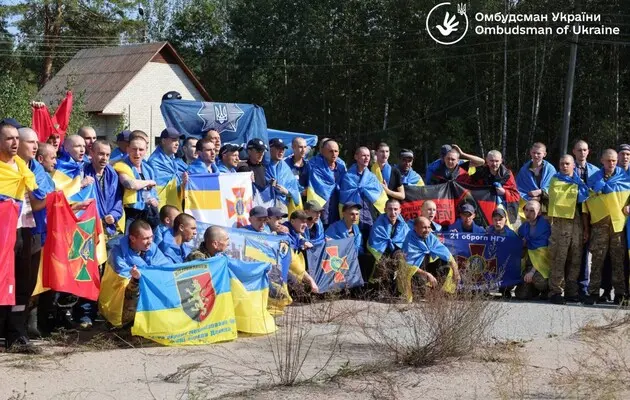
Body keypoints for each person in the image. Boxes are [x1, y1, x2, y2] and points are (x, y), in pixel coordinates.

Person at [0, 122, 46, 353]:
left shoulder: (24, 170)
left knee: (23, 284)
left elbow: (38, 202)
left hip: (25, 230)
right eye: (9, 138)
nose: (14, 142)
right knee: (1, 282)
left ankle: (17, 334)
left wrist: (59, 201)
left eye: (17, 138)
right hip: (2, 233)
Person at [583, 149, 630, 305]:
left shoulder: (625, 177)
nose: (611, 164)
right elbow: (586, 198)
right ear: (602, 161)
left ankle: (620, 293)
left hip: (618, 225)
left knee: (618, 260)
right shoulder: (593, 178)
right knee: (597, 260)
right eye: (608, 161)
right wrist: (598, 188)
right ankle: (594, 292)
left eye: (614, 161)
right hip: (599, 224)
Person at [108, 219, 170, 326]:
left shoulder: (152, 247)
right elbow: (122, 275)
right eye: (145, 238)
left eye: (151, 237)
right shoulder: (117, 252)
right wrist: (136, 276)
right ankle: (127, 324)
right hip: (119, 296)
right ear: (132, 238)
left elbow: (164, 267)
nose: (150, 241)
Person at [547, 155, 589, 304]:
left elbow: (584, 206)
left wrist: (585, 229)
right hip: (560, 224)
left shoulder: (580, 183)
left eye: (567, 164)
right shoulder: (554, 180)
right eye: (562, 163)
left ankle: (571, 291)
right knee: (559, 257)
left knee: (575, 258)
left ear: (573, 166)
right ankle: (556, 291)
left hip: (576, 223)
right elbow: (553, 200)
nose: (564, 166)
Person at [400, 216, 460, 302]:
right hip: (414, 273)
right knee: (419, 278)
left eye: (429, 227)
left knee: (445, 263)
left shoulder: (430, 237)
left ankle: (435, 293)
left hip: (425, 268)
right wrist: (427, 274)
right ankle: (421, 294)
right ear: (415, 228)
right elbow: (409, 267)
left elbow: (447, 254)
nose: (427, 230)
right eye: (424, 227)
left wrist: (456, 271)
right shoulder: (409, 241)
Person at [457, 150, 520, 224]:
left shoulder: (507, 174)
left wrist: (504, 192)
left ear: (501, 161)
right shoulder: (481, 172)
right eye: (491, 161)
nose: (494, 164)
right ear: (487, 160)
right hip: (483, 204)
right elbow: (469, 184)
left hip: (501, 205)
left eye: (497, 161)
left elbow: (515, 195)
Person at [340, 146, 387, 238]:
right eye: (363, 156)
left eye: (368, 156)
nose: (366, 158)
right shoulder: (347, 177)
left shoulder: (372, 177)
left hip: (368, 216)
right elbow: (344, 198)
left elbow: (379, 197)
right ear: (356, 157)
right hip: (352, 218)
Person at [113, 135, 159, 229]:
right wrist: (148, 182)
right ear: (128, 149)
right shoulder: (121, 165)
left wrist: (155, 201)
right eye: (134, 149)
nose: (137, 153)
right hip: (130, 214)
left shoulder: (148, 169)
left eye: (141, 149)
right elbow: (130, 185)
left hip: (147, 212)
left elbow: (154, 193)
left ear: (146, 150)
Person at [84, 140, 124, 237]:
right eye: (101, 154)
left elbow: (118, 199)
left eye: (107, 155)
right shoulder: (83, 173)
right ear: (91, 153)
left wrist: (114, 215)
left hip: (110, 228)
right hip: (89, 229)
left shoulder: (113, 175)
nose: (104, 158)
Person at [515, 200, 551, 300]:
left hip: (542, 265)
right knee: (521, 295)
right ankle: (534, 290)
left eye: (532, 211)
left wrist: (531, 272)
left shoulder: (545, 227)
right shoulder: (524, 227)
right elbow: (516, 241)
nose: (528, 214)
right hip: (528, 262)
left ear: (539, 212)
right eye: (526, 210)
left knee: (540, 281)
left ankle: (546, 290)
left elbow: (543, 255)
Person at [308, 139, 347, 226]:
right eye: (331, 151)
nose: (334, 154)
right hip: (322, 207)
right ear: (323, 152)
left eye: (336, 151)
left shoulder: (342, 168)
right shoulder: (314, 167)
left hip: (338, 207)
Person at [148, 127, 186, 209]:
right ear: (163, 141)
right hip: (161, 209)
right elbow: (154, 189)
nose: (177, 143)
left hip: (174, 205)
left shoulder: (172, 160)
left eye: (178, 140)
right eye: (174, 140)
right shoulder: (155, 161)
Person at [282, 210, 319, 293]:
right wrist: (310, 280)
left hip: (291, 269)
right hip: (282, 271)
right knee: (301, 287)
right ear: (292, 221)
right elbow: (294, 264)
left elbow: (300, 238)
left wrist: (304, 241)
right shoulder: (284, 233)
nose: (305, 225)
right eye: (302, 222)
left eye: (306, 222)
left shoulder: (294, 231)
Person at [516, 142, 557, 215]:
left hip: (546, 205)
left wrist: (541, 192)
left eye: (538, 153)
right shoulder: (524, 170)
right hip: (528, 206)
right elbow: (518, 188)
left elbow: (555, 187)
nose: (535, 155)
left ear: (544, 154)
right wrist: (531, 198)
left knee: (545, 225)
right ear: (530, 153)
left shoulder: (551, 169)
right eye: (534, 152)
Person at [266, 138, 301, 211]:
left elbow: (295, 191)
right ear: (270, 149)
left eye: (283, 149)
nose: (281, 151)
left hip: (282, 205)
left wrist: (287, 192)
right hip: (265, 203)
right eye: (278, 148)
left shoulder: (285, 168)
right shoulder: (263, 165)